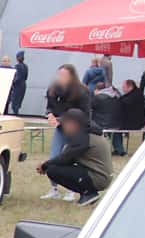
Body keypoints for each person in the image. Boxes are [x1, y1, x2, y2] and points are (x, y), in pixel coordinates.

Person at [34, 107, 112, 205]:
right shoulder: (86, 134)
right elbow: (67, 159)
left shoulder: (82, 137)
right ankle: (88, 193)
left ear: (73, 124)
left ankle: (88, 193)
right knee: (53, 167)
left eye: (64, 123)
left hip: (98, 177)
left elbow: (65, 158)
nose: (63, 126)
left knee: (52, 170)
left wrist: (45, 165)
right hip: (99, 175)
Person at [40, 63, 88, 196]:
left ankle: (71, 190)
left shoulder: (81, 91)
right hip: (60, 129)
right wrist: (49, 115)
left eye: (64, 75)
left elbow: (84, 113)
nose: (61, 77)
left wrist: (63, 119)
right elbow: (50, 107)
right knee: (54, 157)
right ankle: (54, 189)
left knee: (71, 158)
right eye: (59, 74)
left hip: (75, 130)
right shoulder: (53, 90)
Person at [112, 79, 144, 155]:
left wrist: (117, 97)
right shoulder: (137, 93)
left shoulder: (135, 95)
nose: (122, 88)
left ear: (130, 87)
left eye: (124, 87)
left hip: (134, 123)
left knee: (114, 129)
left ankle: (120, 150)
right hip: (136, 121)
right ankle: (118, 148)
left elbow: (124, 102)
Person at [4, 50, 28, 115]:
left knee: (14, 103)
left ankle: (16, 115)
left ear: (17, 58)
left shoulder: (17, 66)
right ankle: (16, 114)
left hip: (18, 86)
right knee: (18, 102)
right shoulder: (25, 66)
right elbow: (26, 77)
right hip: (23, 85)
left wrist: (12, 83)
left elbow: (17, 78)